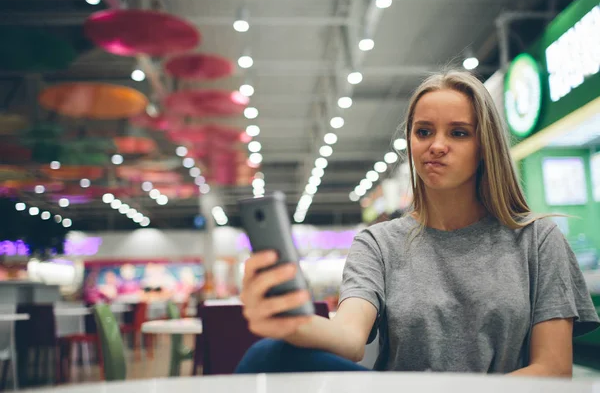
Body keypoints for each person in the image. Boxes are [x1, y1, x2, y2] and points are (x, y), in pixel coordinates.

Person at [235, 71, 600, 377]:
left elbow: (553, 368)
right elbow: (349, 338)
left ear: (485, 144)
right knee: (268, 353)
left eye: (458, 133)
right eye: (423, 132)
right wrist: (295, 323)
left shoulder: (537, 240)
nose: (436, 146)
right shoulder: (378, 243)